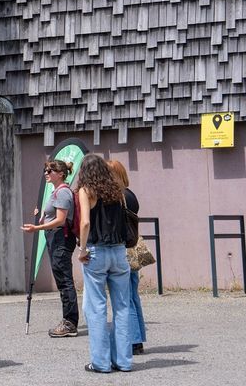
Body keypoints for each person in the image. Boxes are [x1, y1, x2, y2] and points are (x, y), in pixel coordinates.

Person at [76, 153, 133, 373]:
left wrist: (82, 250)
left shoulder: (86, 191)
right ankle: (124, 361)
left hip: (96, 251)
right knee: (122, 307)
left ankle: (101, 362)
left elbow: (85, 223)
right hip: (119, 252)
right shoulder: (117, 191)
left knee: (97, 308)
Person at [21, 159, 78, 337]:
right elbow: (52, 215)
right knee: (62, 279)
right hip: (55, 237)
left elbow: (61, 220)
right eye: (45, 170)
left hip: (61, 237)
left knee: (64, 280)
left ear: (60, 173)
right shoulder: (55, 192)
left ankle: (70, 322)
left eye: (50, 170)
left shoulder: (62, 193)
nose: (46, 173)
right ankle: (68, 320)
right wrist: (43, 215)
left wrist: (36, 228)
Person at [108, 159, 146, 356]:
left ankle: (133, 340)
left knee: (125, 299)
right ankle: (139, 338)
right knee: (133, 295)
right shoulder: (131, 195)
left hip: (122, 249)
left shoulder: (118, 197)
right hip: (134, 249)